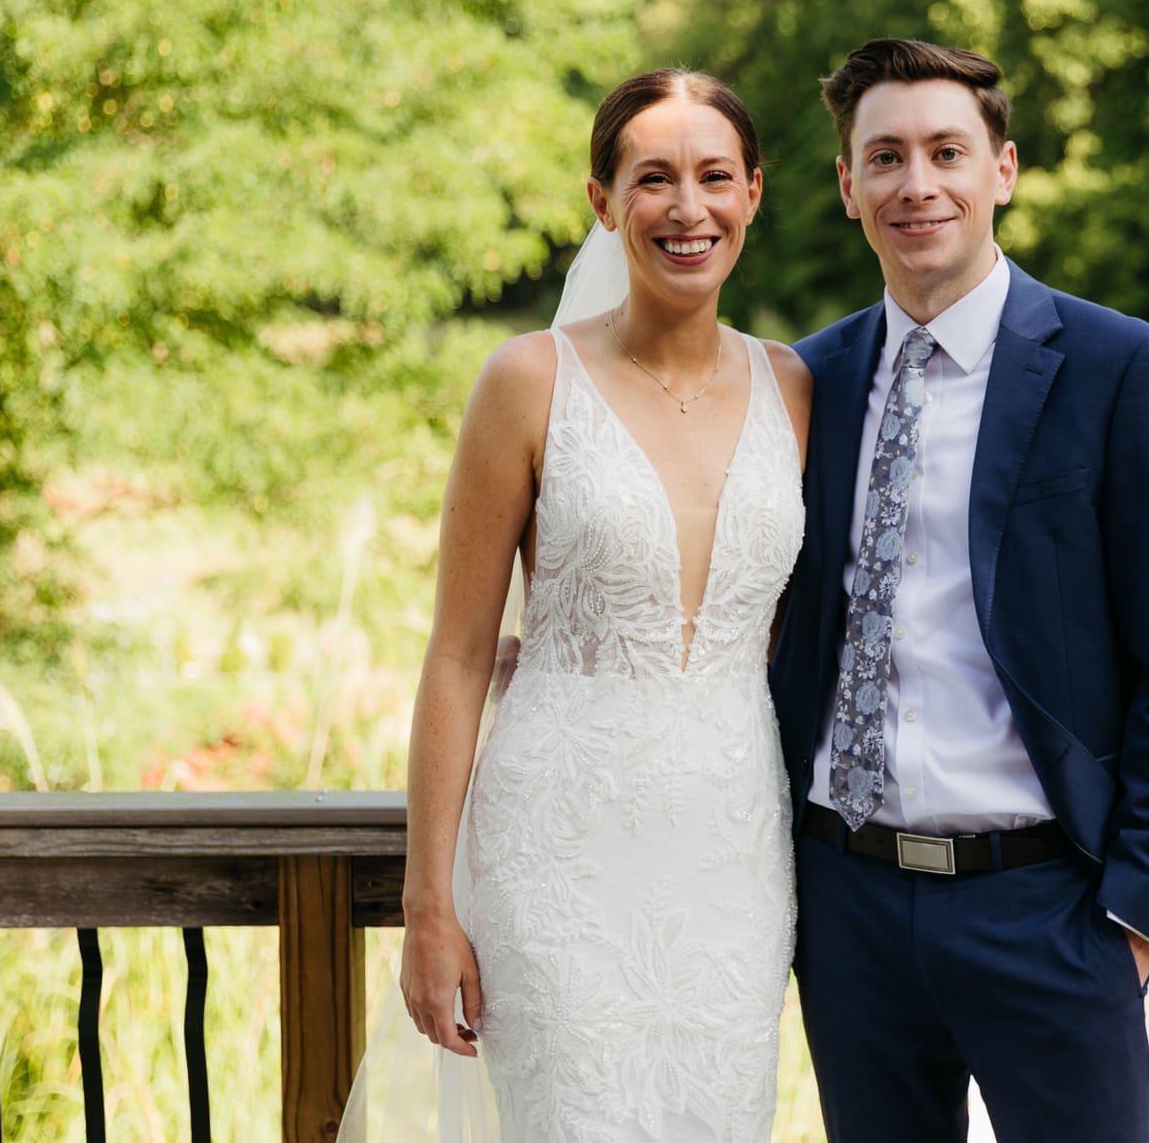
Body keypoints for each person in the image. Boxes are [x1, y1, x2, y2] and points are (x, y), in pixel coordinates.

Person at [769, 38, 1149, 1143]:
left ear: (1002, 169)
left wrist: (1131, 917)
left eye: (944, 151)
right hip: (851, 907)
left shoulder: (1117, 369)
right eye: (882, 157)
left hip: (1049, 910)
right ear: (846, 188)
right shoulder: (807, 381)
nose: (914, 184)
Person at [341, 69, 813, 1142]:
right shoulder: (526, 381)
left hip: (730, 859)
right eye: (653, 179)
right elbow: (459, 656)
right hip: (555, 857)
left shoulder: (794, 390)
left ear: (751, 195)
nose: (686, 208)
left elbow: (792, 631)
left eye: (713, 177)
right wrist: (429, 907)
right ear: (601, 201)